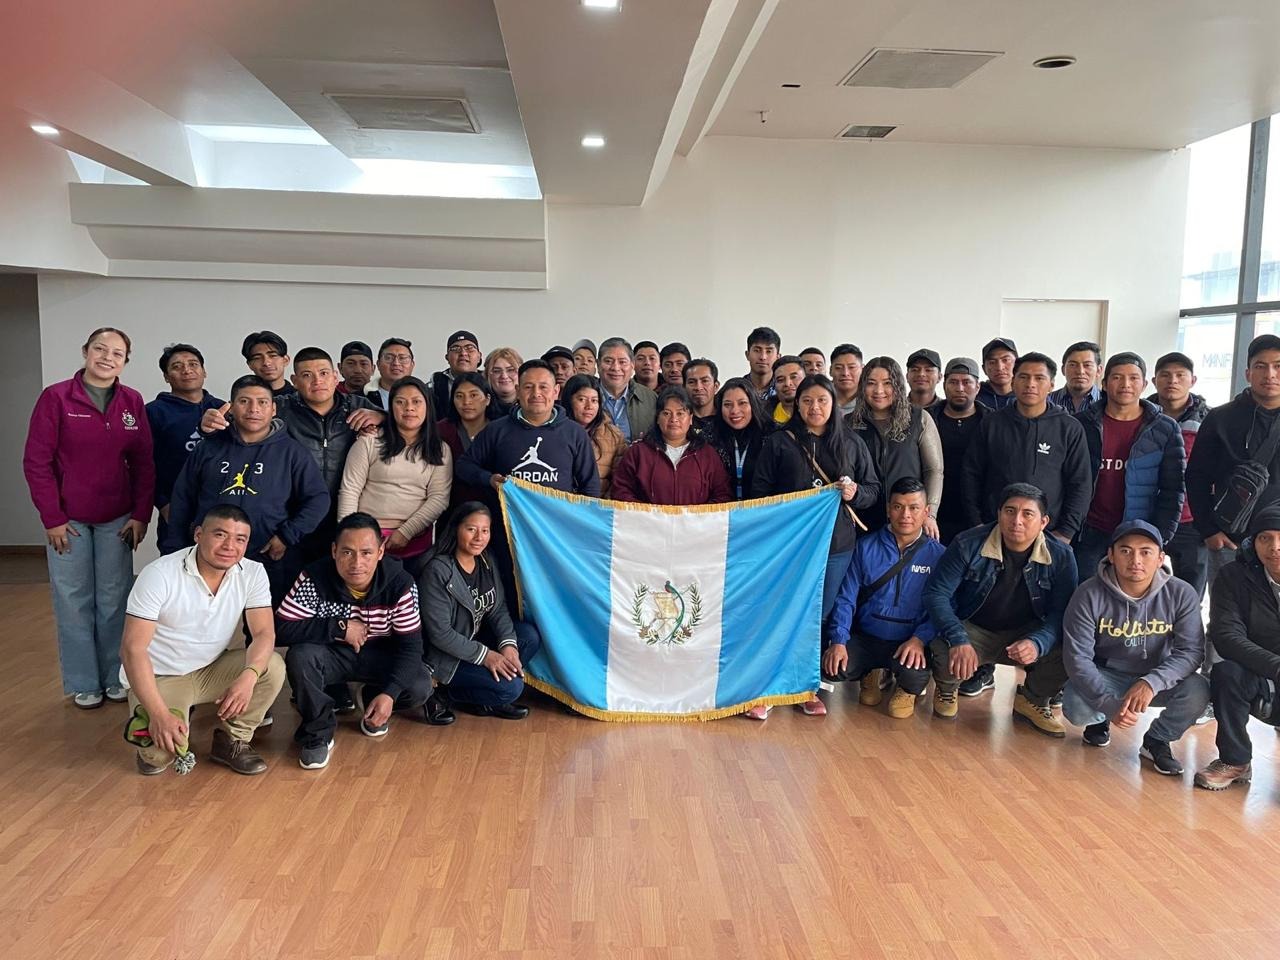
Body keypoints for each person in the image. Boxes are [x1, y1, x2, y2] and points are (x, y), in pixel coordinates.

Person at [23, 326, 155, 709]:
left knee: (115, 597)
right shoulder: (56, 397)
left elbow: (144, 463)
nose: (107, 357)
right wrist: (52, 517)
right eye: (100, 349)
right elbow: (36, 462)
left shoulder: (131, 401)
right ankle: (84, 682)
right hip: (68, 521)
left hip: (118, 517)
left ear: (125, 361)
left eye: (117, 353)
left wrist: (141, 514)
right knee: (73, 599)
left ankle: (115, 676)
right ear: (86, 351)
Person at [751, 375, 881, 718]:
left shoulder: (851, 443)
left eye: (822, 400)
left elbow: (873, 490)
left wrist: (855, 493)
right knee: (780, 610)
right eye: (807, 400)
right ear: (797, 404)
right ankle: (766, 687)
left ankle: (804, 687)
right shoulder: (779, 442)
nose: (815, 407)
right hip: (789, 546)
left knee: (817, 616)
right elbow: (759, 493)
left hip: (836, 545)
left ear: (834, 404)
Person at [120, 505, 283, 775]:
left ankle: (232, 741)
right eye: (220, 535)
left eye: (240, 539)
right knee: (160, 756)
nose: (229, 546)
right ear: (198, 535)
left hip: (211, 669)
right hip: (162, 676)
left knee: (271, 666)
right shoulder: (159, 574)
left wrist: (249, 677)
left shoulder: (253, 572)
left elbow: (264, 633)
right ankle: (151, 721)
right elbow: (132, 650)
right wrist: (159, 715)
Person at [278, 512, 437, 769]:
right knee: (300, 656)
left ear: (381, 552)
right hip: (332, 655)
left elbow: (411, 647)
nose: (356, 563)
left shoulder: (401, 584)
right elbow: (283, 628)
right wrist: (339, 627)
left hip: (379, 656)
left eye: (366, 553)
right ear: (334, 551)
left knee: (420, 684)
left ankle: (373, 699)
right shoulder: (314, 577)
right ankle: (317, 731)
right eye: (347, 552)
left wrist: (390, 694)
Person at [163, 375, 330, 605]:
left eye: (262, 402)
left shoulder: (292, 452)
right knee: (202, 616)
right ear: (231, 407)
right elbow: (183, 498)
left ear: (273, 409)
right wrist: (174, 549)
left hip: (267, 557)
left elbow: (318, 499)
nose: (253, 409)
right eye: (244, 401)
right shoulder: (209, 447)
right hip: (207, 558)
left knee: (261, 620)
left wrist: (287, 536)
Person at [924, 483, 1077, 735]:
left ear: (1043, 522)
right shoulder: (967, 543)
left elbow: (1062, 612)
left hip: (1027, 632)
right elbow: (936, 593)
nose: (1017, 521)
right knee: (944, 646)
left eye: (1028, 514)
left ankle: (1033, 700)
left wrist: (1038, 642)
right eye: (1010, 511)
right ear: (998, 514)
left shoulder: (1061, 555)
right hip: (975, 628)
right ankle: (947, 689)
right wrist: (958, 638)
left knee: (1069, 650)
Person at [1060, 520, 1208, 774]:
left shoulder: (1181, 593)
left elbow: (1191, 651)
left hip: (1157, 677)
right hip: (1107, 674)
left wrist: (1152, 682)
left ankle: (1157, 740)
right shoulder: (1088, 593)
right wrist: (1108, 704)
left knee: (1198, 690)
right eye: (1126, 551)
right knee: (1076, 704)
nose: (1135, 560)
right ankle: (1100, 720)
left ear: (1160, 558)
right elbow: (1077, 657)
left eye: (1145, 552)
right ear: (1111, 555)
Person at [457, 360, 600, 598]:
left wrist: (579, 529)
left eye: (543, 387)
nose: (536, 394)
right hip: (509, 535)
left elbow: (590, 487)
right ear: (517, 389)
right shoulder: (497, 430)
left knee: (555, 595)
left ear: (556, 391)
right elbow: (464, 466)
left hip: (557, 536)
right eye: (528, 387)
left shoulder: (574, 433)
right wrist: (488, 479)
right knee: (513, 595)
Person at [823, 478, 946, 719]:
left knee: (915, 675)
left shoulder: (939, 556)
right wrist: (838, 640)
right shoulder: (865, 547)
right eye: (898, 507)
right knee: (832, 667)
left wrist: (920, 639)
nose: (905, 515)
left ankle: (905, 689)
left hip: (907, 642)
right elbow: (846, 598)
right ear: (889, 509)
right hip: (867, 637)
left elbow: (943, 606)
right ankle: (870, 673)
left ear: (926, 512)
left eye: (914, 508)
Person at [419, 503, 543, 719]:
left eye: (485, 530)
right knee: (511, 688)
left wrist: (507, 645)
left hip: (473, 640)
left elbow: (498, 609)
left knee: (528, 637)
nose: (479, 537)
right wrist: (487, 656)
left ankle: (486, 698)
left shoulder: (487, 559)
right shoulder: (438, 570)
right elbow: (440, 635)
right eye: (471, 529)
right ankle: (441, 693)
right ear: (456, 529)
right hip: (446, 657)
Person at [1073, 352, 1185, 579]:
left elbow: (1173, 489)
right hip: (1089, 532)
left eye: (1133, 378)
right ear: (1104, 384)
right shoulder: (1082, 424)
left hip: (1138, 533)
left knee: (1133, 598)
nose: (1125, 384)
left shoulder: (1164, 428)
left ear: (1144, 384)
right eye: (1117, 377)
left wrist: (1160, 536)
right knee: (1085, 594)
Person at [961, 351, 1091, 545]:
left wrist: (1066, 532)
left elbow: (1080, 483)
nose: (1030, 384)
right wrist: (977, 523)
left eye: (1039, 378)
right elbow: (971, 474)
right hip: (994, 531)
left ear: (1051, 385)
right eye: (1024, 377)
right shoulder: (992, 423)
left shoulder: (1069, 428)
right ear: (1013, 382)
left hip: (1049, 535)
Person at [1194, 504, 1280, 790]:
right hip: (1262, 677)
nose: (1275, 547)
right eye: (1265, 538)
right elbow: (1226, 636)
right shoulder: (1234, 576)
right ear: (1253, 542)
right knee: (1226, 672)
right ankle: (1235, 760)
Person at [1186, 334, 1280, 595]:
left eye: (1278, 366)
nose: (1270, 374)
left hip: (1278, 540)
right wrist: (1209, 531)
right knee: (1227, 610)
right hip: (1230, 540)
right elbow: (1196, 477)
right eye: (1261, 366)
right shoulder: (1221, 418)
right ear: (1248, 373)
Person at [338, 377, 452, 573]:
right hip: (366, 540)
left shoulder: (440, 450)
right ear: (391, 407)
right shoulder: (369, 441)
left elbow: (439, 498)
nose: (409, 408)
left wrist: (405, 532)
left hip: (416, 541)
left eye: (416, 402)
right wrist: (348, 535)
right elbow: (350, 490)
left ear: (428, 407)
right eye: (400, 402)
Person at [845, 357, 943, 537]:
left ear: (898, 385)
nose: (879, 390)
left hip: (909, 518)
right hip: (862, 520)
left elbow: (934, 470)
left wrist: (930, 514)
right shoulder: (849, 423)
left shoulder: (919, 418)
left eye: (887, 383)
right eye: (871, 383)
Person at [146, 343, 224, 545]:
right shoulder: (153, 412)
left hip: (221, 509)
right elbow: (144, 464)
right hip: (176, 508)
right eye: (177, 366)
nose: (187, 370)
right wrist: (162, 503)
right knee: (177, 562)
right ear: (166, 376)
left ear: (204, 371)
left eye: (193, 364)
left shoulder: (223, 408)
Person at [1150, 352, 1211, 599]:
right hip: (1150, 514)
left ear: (1192, 380)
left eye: (1180, 375)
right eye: (1165, 375)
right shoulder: (1141, 415)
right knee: (1144, 585)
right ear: (1154, 381)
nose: (1172, 381)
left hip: (1192, 519)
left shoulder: (1210, 420)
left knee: (1190, 592)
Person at [612, 386, 731, 505]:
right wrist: (648, 513)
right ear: (657, 418)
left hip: (696, 518)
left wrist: (697, 515)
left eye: (680, 413)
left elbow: (723, 494)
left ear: (690, 419)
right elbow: (621, 490)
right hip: (647, 517)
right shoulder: (638, 453)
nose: (674, 419)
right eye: (666, 413)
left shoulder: (707, 455)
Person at [929, 357, 987, 544]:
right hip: (934, 515)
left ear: (977, 387)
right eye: (953, 382)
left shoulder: (992, 423)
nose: (960, 388)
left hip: (979, 517)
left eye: (966, 382)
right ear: (944, 385)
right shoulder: (926, 419)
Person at [437, 372, 494, 517]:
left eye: (473, 395)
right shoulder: (441, 430)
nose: (466, 402)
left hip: (495, 512)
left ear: (487, 399)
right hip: (452, 512)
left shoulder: (500, 430)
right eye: (459, 396)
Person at [709, 377, 773, 502]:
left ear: (753, 404)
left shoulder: (772, 436)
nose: (734, 411)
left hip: (763, 509)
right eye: (727, 405)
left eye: (742, 403)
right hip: (723, 511)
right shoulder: (710, 437)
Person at [562, 374, 625, 498]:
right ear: (569, 400)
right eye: (581, 399)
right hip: (559, 504)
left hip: (600, 505)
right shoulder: (554, 432)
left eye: (594, 401)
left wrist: (601, 505)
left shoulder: (614, 436)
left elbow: (619, 481)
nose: (589, 406)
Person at [597, 337, 658, 442]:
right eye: (608, 361)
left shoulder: (650, 398)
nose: (615, 368)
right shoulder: (584, 396)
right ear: (598, 364)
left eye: (622, 362)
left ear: (632, 365)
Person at [430, 330, 482, 417]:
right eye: (455, 349)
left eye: (469, 348)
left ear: (479, 356)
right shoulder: (435, 384)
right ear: (447, 357)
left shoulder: (490, 380)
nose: (463, 353)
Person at [1048, 341, 1102, 413]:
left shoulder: (1109, 403)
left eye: (1087, 365)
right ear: (1063, 370)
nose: (1080, 371)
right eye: (1073, 365)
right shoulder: (1047, 401)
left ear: (1099, 370)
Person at [242, 331, 294, 397]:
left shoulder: (302, 397)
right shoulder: (243, 399)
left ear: (286, 360)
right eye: (257, 358)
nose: (266, 363)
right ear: (250, 364)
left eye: (273, 356)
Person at [368, 337, 415, 410]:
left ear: (412, 365)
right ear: (378, 364)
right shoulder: (360, 397)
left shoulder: (426, 396)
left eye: (402, 358)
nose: (396, 363)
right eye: (389, 358)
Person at [976, 337, 1017, 410]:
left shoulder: (1028, 394)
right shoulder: (975, 396)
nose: (999, 367)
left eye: (1006, 360)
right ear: (984, 369)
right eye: (992, 362)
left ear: (1017, 364)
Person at [682, 357, 720, 433]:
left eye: (705, 381)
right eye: (692, 382)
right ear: (684, 387)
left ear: (715, 386)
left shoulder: (726, 418)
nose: (698, 388)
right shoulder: (678, 420)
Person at [744, 326, 781, 404]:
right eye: (757, 350)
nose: (763, 357)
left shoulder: (783, 390)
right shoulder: (738, 389)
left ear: (778, 357)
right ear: (747, 355)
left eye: (769, 351)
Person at [485, 347, 523, 419]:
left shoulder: (532, 404)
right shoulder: (480, 409)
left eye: (510, 370)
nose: (504, 376)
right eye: (497, 371)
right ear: (487, 375)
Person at [769, 355, 806, 426]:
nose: (787, 383)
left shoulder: (817, 415)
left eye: (794, 377)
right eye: (780, 380)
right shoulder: (762, 418)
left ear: (806, 379)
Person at [830, 343, 864, 417]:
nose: (845, 373)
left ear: (863, 370)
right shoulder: (821, 399)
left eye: (852, 367)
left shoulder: (871, 400)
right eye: (838, 368)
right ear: (830, 370)